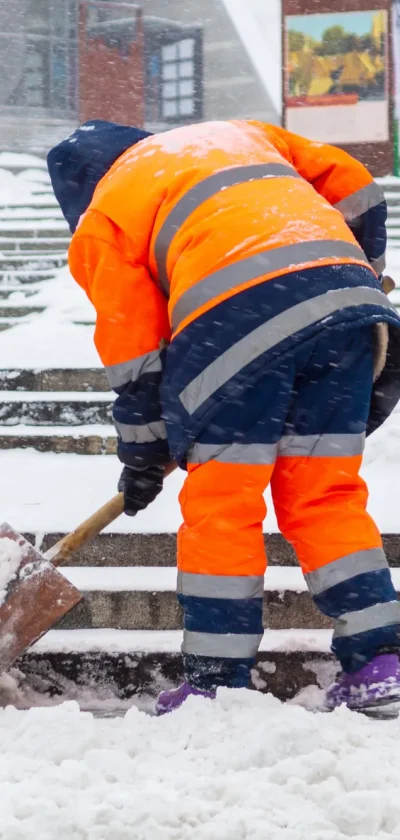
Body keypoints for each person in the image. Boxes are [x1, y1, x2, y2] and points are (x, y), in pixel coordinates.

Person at [48, 118, 400, 715]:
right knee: (325, 495)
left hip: (235, 326)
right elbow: (356, 185)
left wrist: (141, 455)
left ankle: (216, 684)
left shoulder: (104, 220)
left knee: (224, 505)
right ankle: (381, 661)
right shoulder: (238, 135)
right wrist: (357, 260)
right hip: (349, 313)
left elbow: (135, 358)